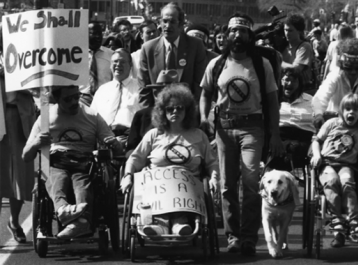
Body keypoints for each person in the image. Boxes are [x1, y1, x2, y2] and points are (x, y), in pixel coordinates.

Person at [199, 12, 283, 256]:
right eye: (234, 31)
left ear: (249, 36)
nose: (238, 35)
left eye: (243, 31)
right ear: (227, 35)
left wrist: (275, 134)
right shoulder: (216, 64)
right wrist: (205, 118)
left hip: (253, 129)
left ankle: (248, 237)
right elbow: (205, 93)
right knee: (226, 184)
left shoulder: (261, 64)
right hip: (224, 129)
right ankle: (233, 236)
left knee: (249, 181)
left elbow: (272, 100)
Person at [22, 86, 122, 239]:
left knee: (81, 181)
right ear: (57, 99)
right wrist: (36, 143)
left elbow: (117, 149)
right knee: (56, 176)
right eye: (68, 99)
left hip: (83, 161)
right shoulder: (45, 118)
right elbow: (26, 156)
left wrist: (114, 144)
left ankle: (81, 221)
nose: (74, 101)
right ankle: (63, 209)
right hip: (56, 160)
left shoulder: (92, 115)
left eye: (76, 96)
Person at [120, 84, 219, 236]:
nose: (175, 111)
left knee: (180, 204)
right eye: (170, 108)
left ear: (187, 110)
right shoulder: (154, 135)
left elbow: (212, 162)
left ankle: (180, 224)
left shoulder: (199, 136)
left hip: (188, 186)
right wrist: (127, 176)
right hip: (156, 186)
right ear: (162, 111)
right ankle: (160, 225)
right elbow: (135, 158)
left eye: (180, 108)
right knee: (160, 199)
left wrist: (214, 178)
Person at [310, 93, 358, 248]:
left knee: (347, 182)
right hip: (327, 163)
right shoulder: (332, 123)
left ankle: (355, 223)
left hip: (346, 165)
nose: (351, 113)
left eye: (355, 110)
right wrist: (316, 154)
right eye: (347, 109)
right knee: (332, 181)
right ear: (341, 110)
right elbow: (317, 141)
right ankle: (337, 221)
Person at [0, 27, 36, 243]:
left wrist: (12, 75)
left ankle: (14, 221)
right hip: (0, 118)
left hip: (18, 120)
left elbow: (35, 88)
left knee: (19, 177)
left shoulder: (27, 58)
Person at [137, 2, 207, 109]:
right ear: (159, 22)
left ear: (180, 24)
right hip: (157, 112)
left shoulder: (195, 46)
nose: (167, 26)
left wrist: (191, 113)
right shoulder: (148, 48)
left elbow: (199, 84)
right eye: (165, 21)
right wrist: (149, 115)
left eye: (172, 22)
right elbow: (144, 88)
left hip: (186, 112)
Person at [312, 38, 358, 127]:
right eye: (348, 67)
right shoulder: (335, 75)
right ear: (341, 65)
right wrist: (318, 114)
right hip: (333, 124)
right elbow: (321, 96)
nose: (353, 72)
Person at [266, 69, 315, 171]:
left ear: (300, 83)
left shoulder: (311, 100)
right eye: (286, 80)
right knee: (275, 148)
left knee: (294, 148)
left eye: (293, 81)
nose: (289, 83)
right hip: (279, 137)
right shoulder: (273, 100)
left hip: (303, 139)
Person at [91, 48, 139, 146]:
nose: (118, 65)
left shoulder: (140, 88)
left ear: (130, 66)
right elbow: (92, 118)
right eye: (115, 61)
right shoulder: (102, 90)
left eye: (123, 62)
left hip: (130, 139)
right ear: (110, 65)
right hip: (104, 139)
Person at [80, 22, 113, 106]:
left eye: (100, 33)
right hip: (81, 100)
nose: (98, 37)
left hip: (105, 100)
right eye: (94, 33)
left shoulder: (112, 55)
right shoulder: (75, 54)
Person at [281, 13, 314, 91]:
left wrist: (277, 61)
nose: (287, 33)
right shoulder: (283, 46)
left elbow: (295, 69)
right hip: (285, 90)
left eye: (290, 30)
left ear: (299, 31)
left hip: (301, 91)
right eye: (285, 30)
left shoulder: (304, 46)